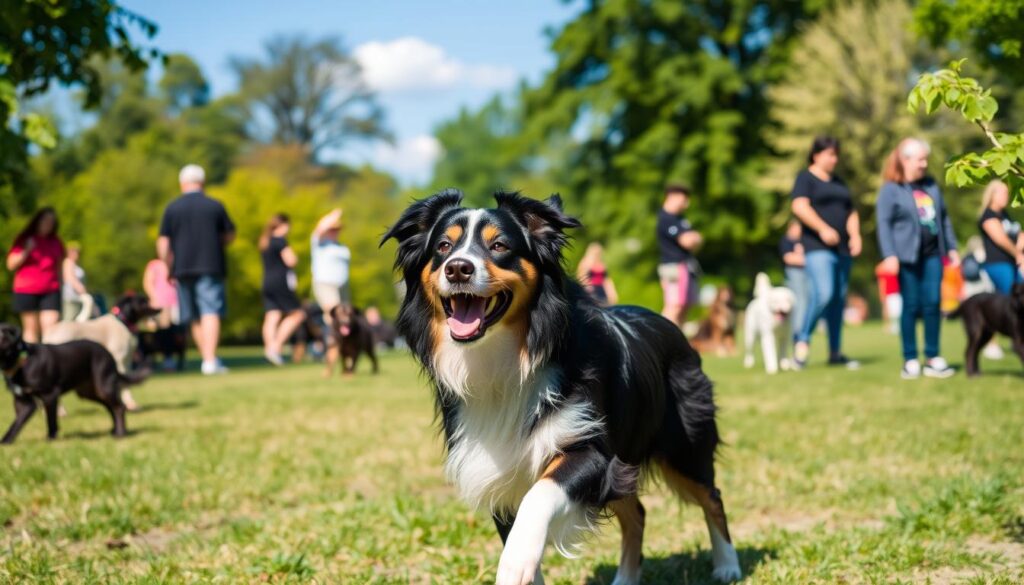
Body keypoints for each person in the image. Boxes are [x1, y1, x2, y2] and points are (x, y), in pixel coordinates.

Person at [876, 138, 959, 379]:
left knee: (933, 303)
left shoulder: (931, 185)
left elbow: (943, 218)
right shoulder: (891, 189)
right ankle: (910, 359)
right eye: (920, 159)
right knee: (910, 306)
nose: (924, 164)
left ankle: (933, 357)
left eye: (926, 159)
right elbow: (884, 224)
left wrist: (951, 247)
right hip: (906, 257)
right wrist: (889, 255)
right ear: (905, 160)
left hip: (933, 255)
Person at [790, 136, 862, 370]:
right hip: (818, 247)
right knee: (824, 294)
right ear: (816, 155)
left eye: (836, 154)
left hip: (842, 249)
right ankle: (802, 341)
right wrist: (822, 229)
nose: (835, 159)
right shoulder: (805, 178)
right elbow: (799, 206)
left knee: (838, 301)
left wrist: (855, 235)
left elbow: (851, 211)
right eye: (830, 154)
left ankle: (835, 351)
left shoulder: (839, 182)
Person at [157, 164, 235, 375]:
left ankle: (208, 359)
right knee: (211, 310)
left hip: (182, 268)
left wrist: (167, 266)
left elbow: (163, 243)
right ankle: (210, 361)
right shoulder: (215, 205)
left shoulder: (172, 208)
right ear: (203, 182)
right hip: (211, 265)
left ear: (182, 183)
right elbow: (229, 235)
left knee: (194, 315)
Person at [6, 208, 65, 343]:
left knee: (51, 327)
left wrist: (62, 287)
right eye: (45, 220)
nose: (48, 224)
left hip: (51, 289)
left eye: (51, 221)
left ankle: (50, 360)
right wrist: (26, 250)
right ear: (38, 221)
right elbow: (11, 265)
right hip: (26, 289)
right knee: (31, 330)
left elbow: (60, 266)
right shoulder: (24, 239)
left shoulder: (56, 241)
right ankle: (32, 362)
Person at [260, 213, 306, 366]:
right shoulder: (280, 241)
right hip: (280, 282)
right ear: (284, 225)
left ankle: (269, 350)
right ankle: (275, 347)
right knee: (297, 314)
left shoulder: (265, 241)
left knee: (272, 316)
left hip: (267, 282)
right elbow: (291, 260)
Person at [311, 208, 351, 374]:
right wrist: (332, 216)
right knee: (334, 320)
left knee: (346, 321)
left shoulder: (341, 247)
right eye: (331, 229)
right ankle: (328, 357)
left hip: (342, 286)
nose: (334, 231)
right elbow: (318, 230)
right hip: (325, 285)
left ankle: (345, 359)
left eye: (337, 229)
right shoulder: (319, 243)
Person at [657, 185, 702, 327]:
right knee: (674, 306)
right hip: (673, 267)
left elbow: (696, 240)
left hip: (686, 266)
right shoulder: (666, 218)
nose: (686, 204)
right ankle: (662, 340)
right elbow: (688, 241)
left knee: (684, 306)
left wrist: (694, 238)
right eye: (684, 199)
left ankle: (677, 342)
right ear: (673, 196)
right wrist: (694, 238)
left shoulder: (680, 219)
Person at [977, 179, 1024, 293]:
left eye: (1007, 193)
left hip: (1012, 262)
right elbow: (1000, 239)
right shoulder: (988, 215)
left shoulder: (1005, 214)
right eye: (1003, 193)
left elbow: (1018, 233)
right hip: (998, 263)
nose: (1006, 196)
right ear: (993, 195)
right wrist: (1017, 254)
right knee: (1009, 299)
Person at [779, 219, 808, 342]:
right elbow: (789, 259)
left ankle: (802, 330)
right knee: (798, 302)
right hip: (794, 273)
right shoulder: (786, 241)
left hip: (805, 274)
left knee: (806, 301)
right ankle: (797, 332)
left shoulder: (803, 241)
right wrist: (805, 259)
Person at [576, 242, 619, 306]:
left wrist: (612, 293)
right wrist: (587, 289)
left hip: (602, 291)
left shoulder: (602, 264)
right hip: (591, 291)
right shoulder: (585, 263)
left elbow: (606, 280)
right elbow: (581, 276)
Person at [62, 242, 92, 321]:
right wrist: (83, 291)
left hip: (77, 298)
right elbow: (70, 278)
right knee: (69, 320)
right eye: (74, 251)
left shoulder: (74, 264)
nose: (77, 254)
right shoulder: (68, 262)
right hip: (71, 297)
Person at [875, 260, 901, 334]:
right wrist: (882, 294)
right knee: (889, 311)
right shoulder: (883, 271)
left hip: (896, 292)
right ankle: (889, 326)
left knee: (896, 311)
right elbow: (881, 283)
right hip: (889, 293)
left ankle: (896, 326)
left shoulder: (895, 269)